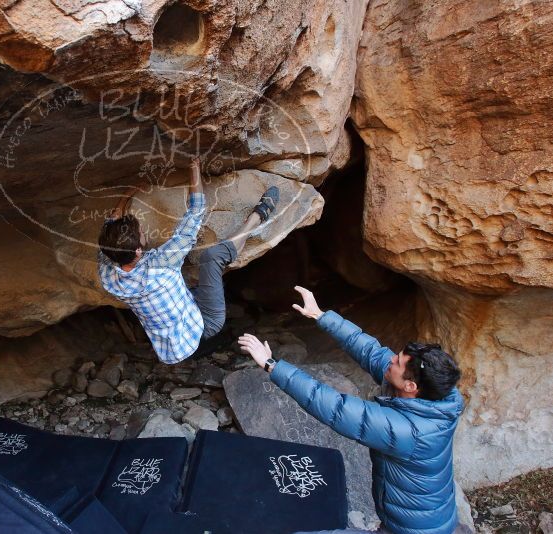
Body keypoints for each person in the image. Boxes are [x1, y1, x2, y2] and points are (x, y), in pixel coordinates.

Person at [238, 286, 465, 534]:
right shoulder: (438, 395)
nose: (390, 359)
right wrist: (321, 315)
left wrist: (271, 365)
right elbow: (371, 351)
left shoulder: (407, 431)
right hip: (423, 520)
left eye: (397, 362)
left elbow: (334, 407)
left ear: (411, 386)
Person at [98, 157, 280, 364]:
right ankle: (257, 217)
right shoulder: (162, 263)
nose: (144, 231)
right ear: (138, 251)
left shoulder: (108, 273)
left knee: (190, 283)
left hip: (172, 347)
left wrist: (126, 195)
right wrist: (195, 169)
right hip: (204, 325)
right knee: (213, 257)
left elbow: (110, 226)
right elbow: (195, 212)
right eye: (141, 232)